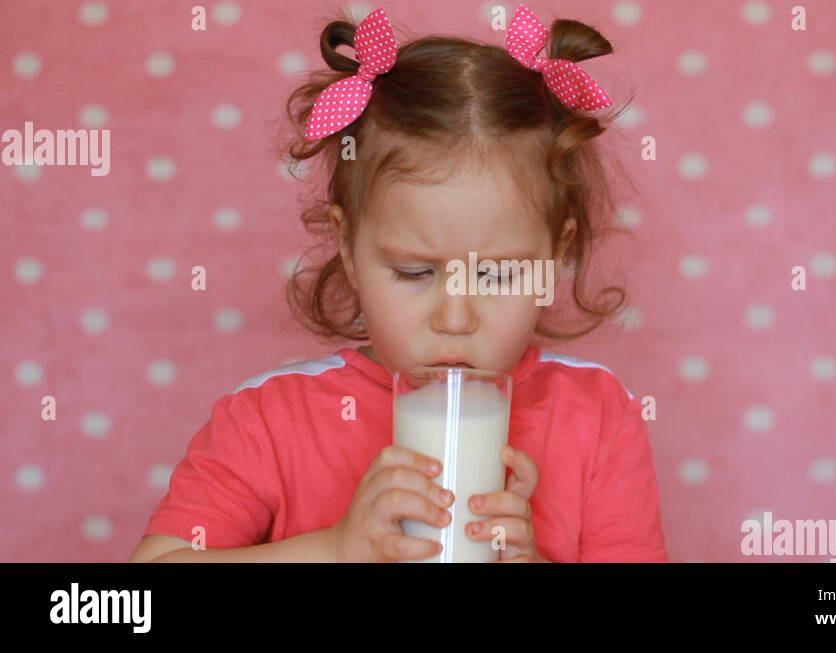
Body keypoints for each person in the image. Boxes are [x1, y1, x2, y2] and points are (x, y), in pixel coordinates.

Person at [129, 4, 668, 563]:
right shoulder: (267, 418)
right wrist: (337, 549)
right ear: (348, 247)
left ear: (554, 257)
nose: (455, 318)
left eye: (499, 274)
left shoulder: (599, 414)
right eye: (414, 273)